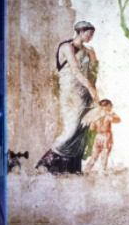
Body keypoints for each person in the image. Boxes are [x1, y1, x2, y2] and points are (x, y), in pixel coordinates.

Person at [35, 20, 100, 174]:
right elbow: (76, 71)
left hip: (85, 94)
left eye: (92, 34)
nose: (90, 37)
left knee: (81, 130)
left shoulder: (89, 51)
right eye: (89, 33)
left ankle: (72, 168)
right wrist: (91, 88)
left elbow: (93, 74)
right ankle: (45, 164)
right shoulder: (67, 47)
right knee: (70, 129)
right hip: (70, 93)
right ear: (80, 31)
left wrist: (93, 91)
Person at [82, 99, 120, 173]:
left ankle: (88, 170)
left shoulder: (100, 115)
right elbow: (118, 120)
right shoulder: (108, 114)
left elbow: (92, 128)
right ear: (108, 106)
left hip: (100, 136)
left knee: (96, 156)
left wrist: (97, 121)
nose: (111, 107)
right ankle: (98, 172)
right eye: (110, 105)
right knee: (102, 156)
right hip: (105, 136)